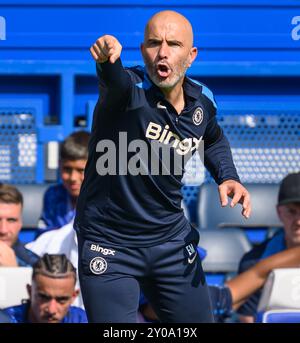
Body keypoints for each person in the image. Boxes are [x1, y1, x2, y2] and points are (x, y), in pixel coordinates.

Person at [74, 10, 251, 323]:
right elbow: (113, 82)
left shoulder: (203, 101)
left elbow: (212, 138)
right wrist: (107, 61)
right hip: (110, 243)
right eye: (154, 43)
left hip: (169, 240)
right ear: (143, 51)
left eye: (174, 44)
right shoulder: (129, 90)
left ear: (191, 55)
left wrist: (227, 176)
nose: (163, 52)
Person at [140, 245, 300, 322]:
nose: (182, 279)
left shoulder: (197, 300)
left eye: (186, 270)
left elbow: (259, 272)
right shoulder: (121, 313)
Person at [237, 171, 300, 323]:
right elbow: (248, 319)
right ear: (279, 212)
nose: (298, 221)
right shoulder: (253, 262)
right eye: (292, 212)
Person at [2, 254, 87, 323]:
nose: (51, 310)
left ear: (73, 296)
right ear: (29, 292)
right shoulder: (5, 319)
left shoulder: (83, 319)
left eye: (61, 299)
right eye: (44, 297)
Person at [38, 131, 90, 233]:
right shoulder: (53, 196)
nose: (73, 178)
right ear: (59, 165)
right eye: (67, 169)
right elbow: (43, 237)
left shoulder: (105, 201)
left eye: (81, 170)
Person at [0, 184, 38, 267]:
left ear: (20, 223)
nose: (3, 230)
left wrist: (15, 272)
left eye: (11, 220)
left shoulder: (37, 266)